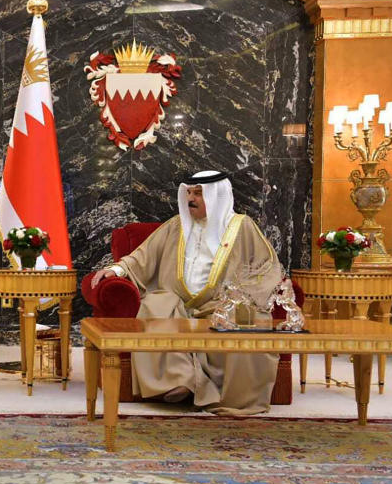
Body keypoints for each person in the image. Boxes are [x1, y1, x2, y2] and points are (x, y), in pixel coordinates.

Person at [89, 170, 282, 415]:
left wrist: (242, 297)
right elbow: (143, 255)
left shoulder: (241, 226)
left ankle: (235, 397)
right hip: (177, 300)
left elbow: (266, 266)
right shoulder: (177, 225)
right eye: (189, 193)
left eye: (198, 194)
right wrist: (117, 269)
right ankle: (177, 381)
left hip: (221, 304)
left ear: (217, 196)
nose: (191, 199)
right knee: (155, 305)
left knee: (247, 319)